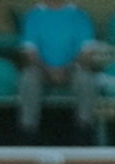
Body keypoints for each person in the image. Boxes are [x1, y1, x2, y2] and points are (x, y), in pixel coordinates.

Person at [16, 0, 100, 144]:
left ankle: (84, 131)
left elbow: (87, 52)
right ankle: (28, 132)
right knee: (28, 78)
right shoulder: (34, 15)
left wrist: (67, 69)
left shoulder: (80, 15)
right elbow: (30, 52)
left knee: (86, 79)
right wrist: (47, 69)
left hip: (73, 68)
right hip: (41, 68)